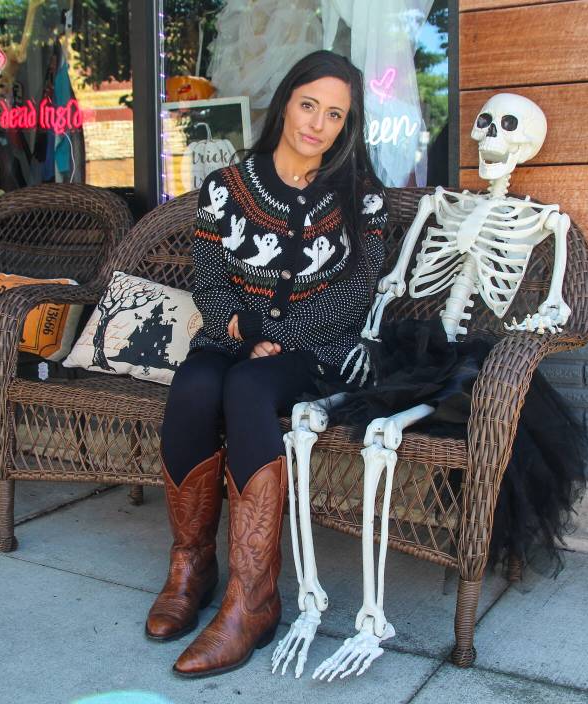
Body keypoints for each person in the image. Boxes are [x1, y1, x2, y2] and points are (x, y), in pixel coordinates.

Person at [146, 50, 389, 678]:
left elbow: (350, 299)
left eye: (335, 115)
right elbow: (208, 278)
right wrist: (247, 329)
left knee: (250, 387)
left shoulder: (363, 200)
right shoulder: (227, 188)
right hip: (230, 338)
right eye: (309, 105)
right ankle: (191, 567)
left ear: (347, 126)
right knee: (197, 384)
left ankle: (253, 599)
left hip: (314, 355)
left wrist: (275, 337)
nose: (318, 123)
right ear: (286, 101)